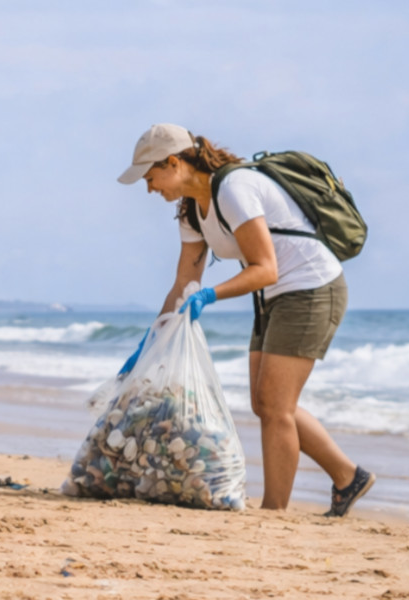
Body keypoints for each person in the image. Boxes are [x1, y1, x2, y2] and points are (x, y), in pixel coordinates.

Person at [113, 123, 374, 516]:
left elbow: (266, 268)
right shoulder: (191, 212)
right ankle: (347, 476)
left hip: (311, 288)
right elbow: (184, 282)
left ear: (173, 162)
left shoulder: (234, 189)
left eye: (151, 178)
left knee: (275, 406)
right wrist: (152, 340)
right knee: (265, 403)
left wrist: (209, 295)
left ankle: (273, 510)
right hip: (272, 298)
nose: (150, 189)